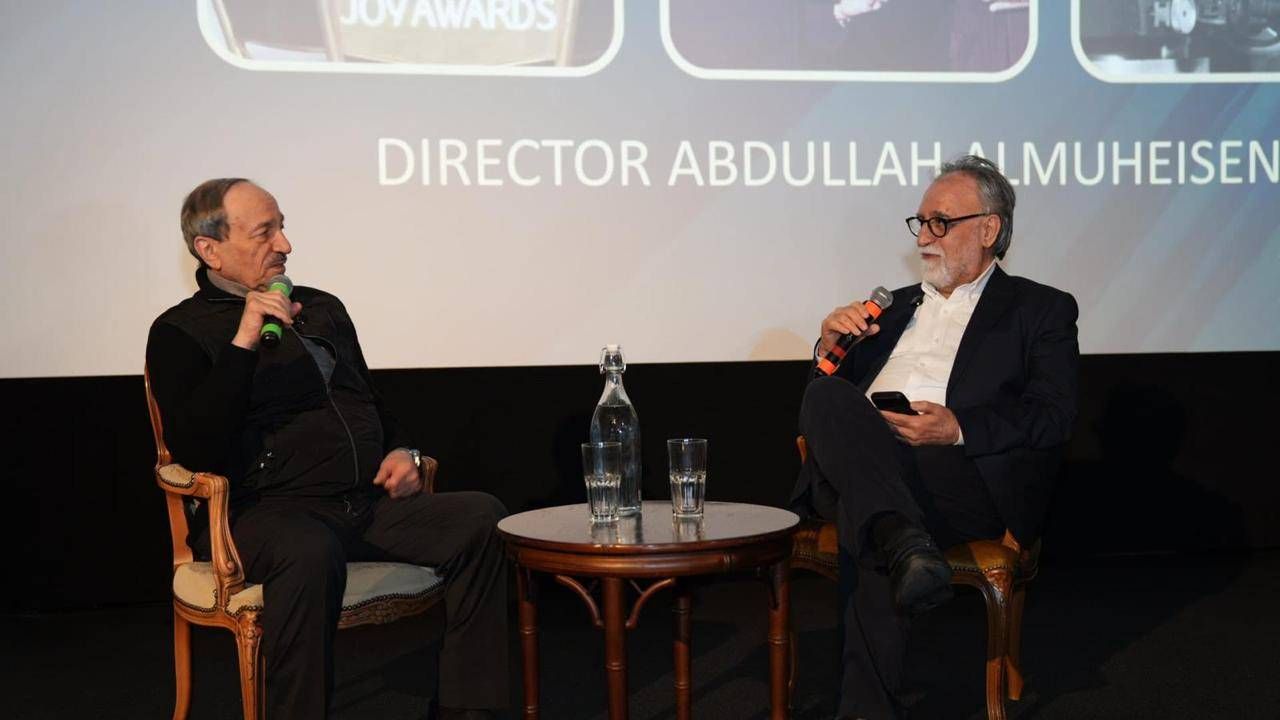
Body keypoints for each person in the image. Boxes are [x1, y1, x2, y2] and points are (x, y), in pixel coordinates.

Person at [146, 178, 508, 720]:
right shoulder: (179, 332)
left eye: (282, 228)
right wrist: (244, 341)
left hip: (363, 503)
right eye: (265, 233)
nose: (285, 245)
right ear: (210, 249)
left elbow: (370, 403)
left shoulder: (322, 308)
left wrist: (402, 451)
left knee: (481, 518)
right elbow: (198, 448)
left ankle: (467, 710)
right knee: (309, 549)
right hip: (264, 515)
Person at [790, 155, 1078, 719]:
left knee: (868, 512)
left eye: (940, 223)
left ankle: (896, 544)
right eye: (920, 222)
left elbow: (1054, 415)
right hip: (868, 464)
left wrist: (957, 428)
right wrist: (829, 348)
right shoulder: (889, 309)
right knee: (826, 396)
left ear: (989, 229)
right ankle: (903, 539)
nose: (924, 237)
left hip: (957, 476)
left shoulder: (1040, 309)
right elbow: (823, 409)